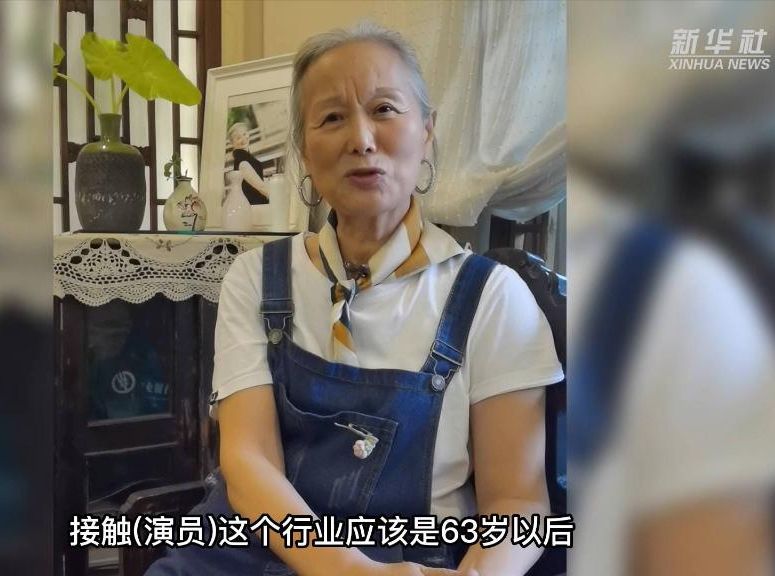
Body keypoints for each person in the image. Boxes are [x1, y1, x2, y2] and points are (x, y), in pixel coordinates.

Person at [147, 21, 562, 576]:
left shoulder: (491, 298)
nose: (362, 140)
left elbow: (517, 502)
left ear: (427, 131)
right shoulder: (255, 278)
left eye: (385, 109)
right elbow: (249, 461)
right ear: (304, 152)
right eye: (332, 118)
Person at [229, 121, 270, 205]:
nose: (243, 139)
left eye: (244, 134)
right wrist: (277, 197)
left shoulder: (245, 157)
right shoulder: (242, 162)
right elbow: (262, 188)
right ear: (232, 143)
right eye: (238, 138)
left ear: (248, 134)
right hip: (255, 207)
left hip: (256, 205)